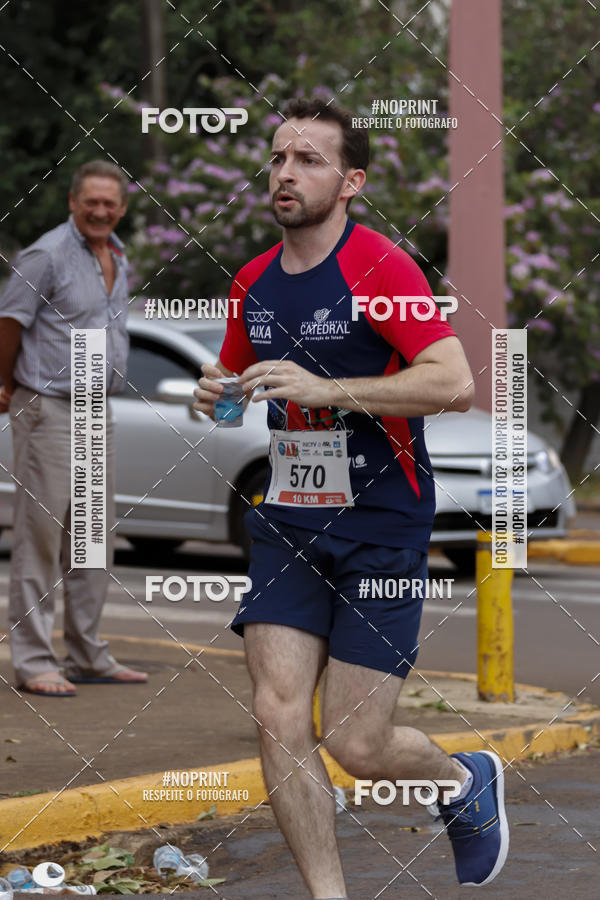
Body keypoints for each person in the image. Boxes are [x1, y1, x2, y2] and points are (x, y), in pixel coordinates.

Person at [193, 98, 508, 896]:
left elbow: (454, 383)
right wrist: (216, 394)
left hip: (382, 523)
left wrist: (329, 388)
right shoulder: (253, 282)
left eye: (307, 160)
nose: (286, 174)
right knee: (277, 715)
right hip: (289, 521)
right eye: (276, 159)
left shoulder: (383, 268)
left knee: (356, 742)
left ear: (352, 181)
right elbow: (239, 383)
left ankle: (462, 780)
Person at [0, 160, 148, 696]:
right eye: (92, 202)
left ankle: (86, 653)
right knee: (40, 540)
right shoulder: (46, 254)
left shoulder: (118, 256)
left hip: (93, 409)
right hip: (49, 408)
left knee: (89, 540)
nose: (101, 211)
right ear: (72, 202)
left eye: (110, 203)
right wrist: (7, 384)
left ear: (122, 209)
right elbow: (9, 320)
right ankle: (34, 660)